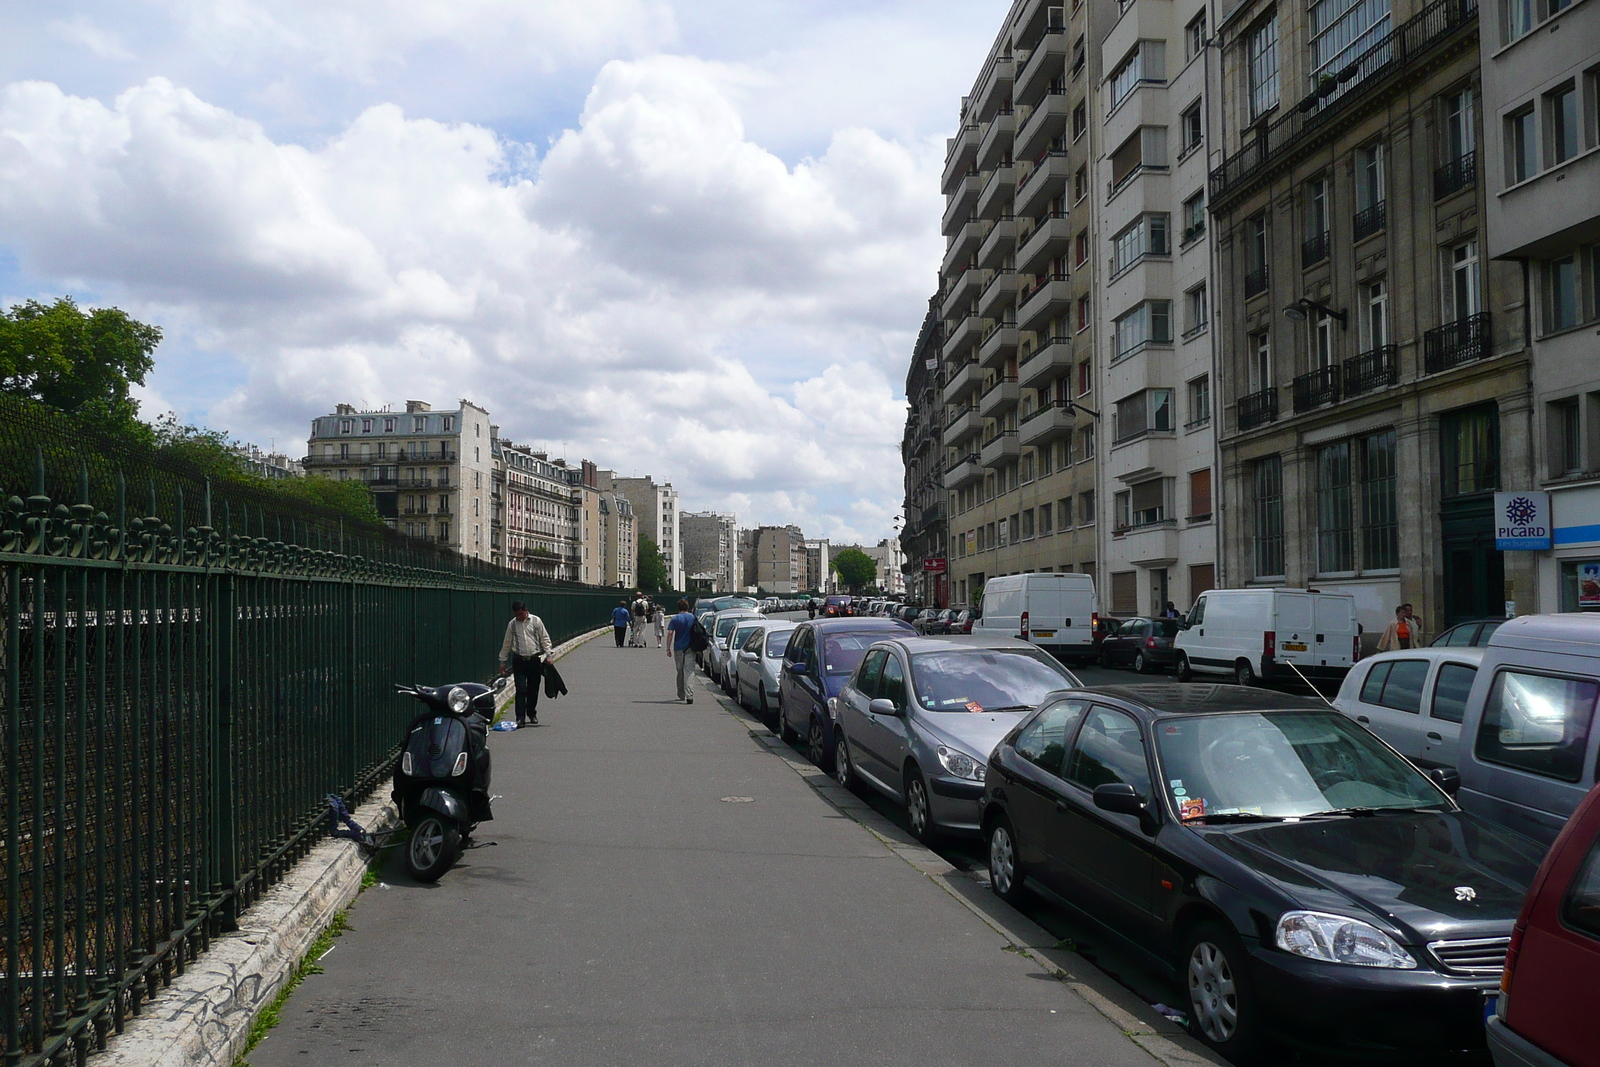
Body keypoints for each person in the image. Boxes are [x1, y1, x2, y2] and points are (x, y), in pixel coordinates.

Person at [498, 601, 553, 727]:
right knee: (521, 689)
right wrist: (503, 661)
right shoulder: (512, 624)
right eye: (517, 615)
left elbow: (544, 638)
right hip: (519, 660)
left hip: (534, 659)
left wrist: (548, 654)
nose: (519, 617)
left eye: (521, 614)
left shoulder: (536, 621)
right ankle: (520, 717)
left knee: (533, 689)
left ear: (526, 610)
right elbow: (507, 643)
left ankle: (531, 713)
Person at [666, 598, 696, 703]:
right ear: (687, 607)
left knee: (680, 671)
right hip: (690, 647)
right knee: (689, 670)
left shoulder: (675, 619)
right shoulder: (692, 617)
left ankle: (681, 693)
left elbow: (670, 633)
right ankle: (690, 695)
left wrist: (668, 648)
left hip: (678, 647)